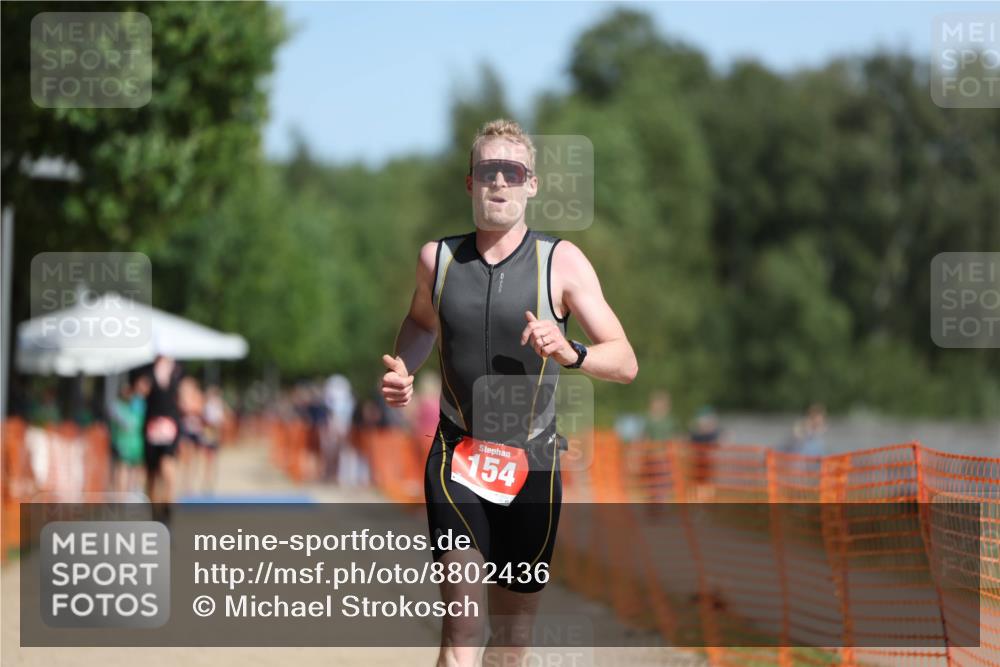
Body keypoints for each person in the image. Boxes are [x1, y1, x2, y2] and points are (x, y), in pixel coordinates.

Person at [380, 119, 638, 666]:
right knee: (463, 627)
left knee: (513, 640)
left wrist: (571, 351)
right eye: (488, 171)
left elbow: (625, 360)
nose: (499, 182)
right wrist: (404, 367)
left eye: (512, 172)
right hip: (457, 454)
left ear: (532, 185)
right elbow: (421, 322)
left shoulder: (561, 262)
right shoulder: (437, 260)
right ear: (469, 183)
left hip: (533, 464)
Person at [143, 355, 183, 506]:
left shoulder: (176, 371)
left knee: (165, 466)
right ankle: (156, 506)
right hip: (154, 427)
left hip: (167, 427)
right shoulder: (148, 372)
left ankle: (165, 505)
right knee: (154, 471)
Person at [108, 375, 149, 494]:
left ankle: (129, 493)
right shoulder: (118, 407)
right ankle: (122, 495)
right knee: (123, 468)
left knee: (133, 469)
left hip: (134, 443)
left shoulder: (135, 405)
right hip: (124, 443)